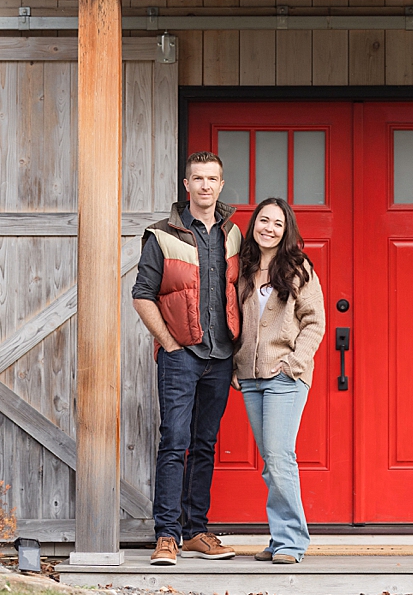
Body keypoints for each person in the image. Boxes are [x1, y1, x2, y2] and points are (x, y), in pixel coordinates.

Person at [132, 151, 241, 566]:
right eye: (198, 179)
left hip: (221, 356)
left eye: (212, 178)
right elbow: (142, 295)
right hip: (182, 356)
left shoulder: (234, 234)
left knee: (205, 445)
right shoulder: (162, 235)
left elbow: (245, 289)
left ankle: (196, 531)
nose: (206, 186)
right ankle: (166, 536)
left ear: (221, 184)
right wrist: (170, 344)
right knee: (174, 443)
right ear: (187, 185)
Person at [232, 197, 326, 565]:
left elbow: (314, 321)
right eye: (263, 220)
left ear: (287, 231)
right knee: (271, 460)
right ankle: (280, 537)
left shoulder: (297, 268)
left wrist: (295, 362)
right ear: (254, 224)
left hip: (286, 376)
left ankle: (291, 542)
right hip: (250, 378)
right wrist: (237, 368)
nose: (269, 228)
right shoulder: (243, 268)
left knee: (280, 455)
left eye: (278, 223)